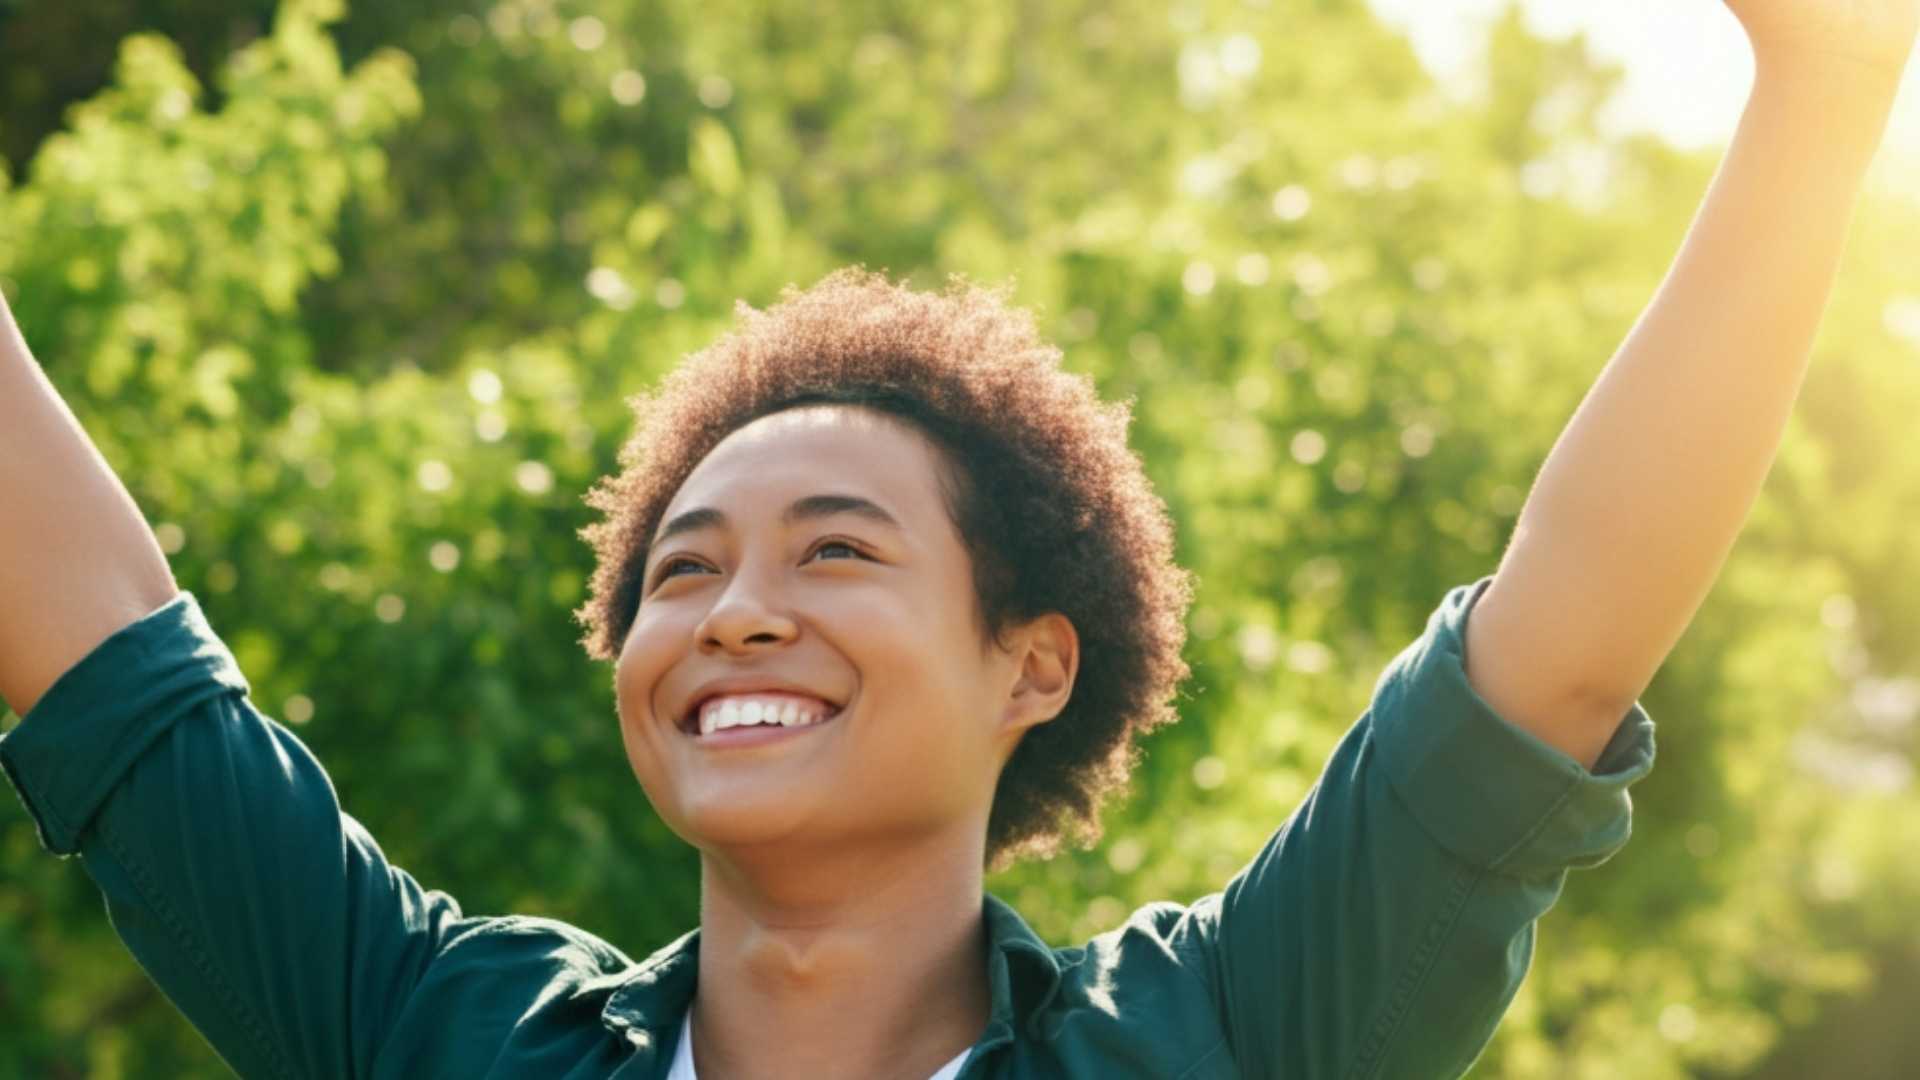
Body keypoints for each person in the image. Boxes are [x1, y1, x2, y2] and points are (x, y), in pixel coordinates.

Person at [1, 2, 1912, 1076]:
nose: (734, 614)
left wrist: (1823, 94)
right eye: (680, 571)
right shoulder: (440, 1036)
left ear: (1036, 660)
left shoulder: (1228, 1036)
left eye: (835, 554)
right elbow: (121, 678)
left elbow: (1559, 651)